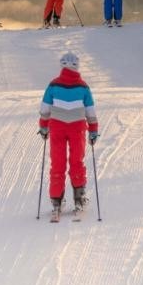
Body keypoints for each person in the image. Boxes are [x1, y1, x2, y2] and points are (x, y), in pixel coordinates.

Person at [37, 51, 100, 221]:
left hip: (57, 126)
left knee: (57, 162)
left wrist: (43, 127)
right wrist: (93, 130)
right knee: (76, 161)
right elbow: (90, 112)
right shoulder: (83, 87)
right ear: (77, 67)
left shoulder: (53, 85)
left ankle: (56, 201)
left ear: (62, 66)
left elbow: (45, 109)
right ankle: (79, 199)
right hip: (77, 128)